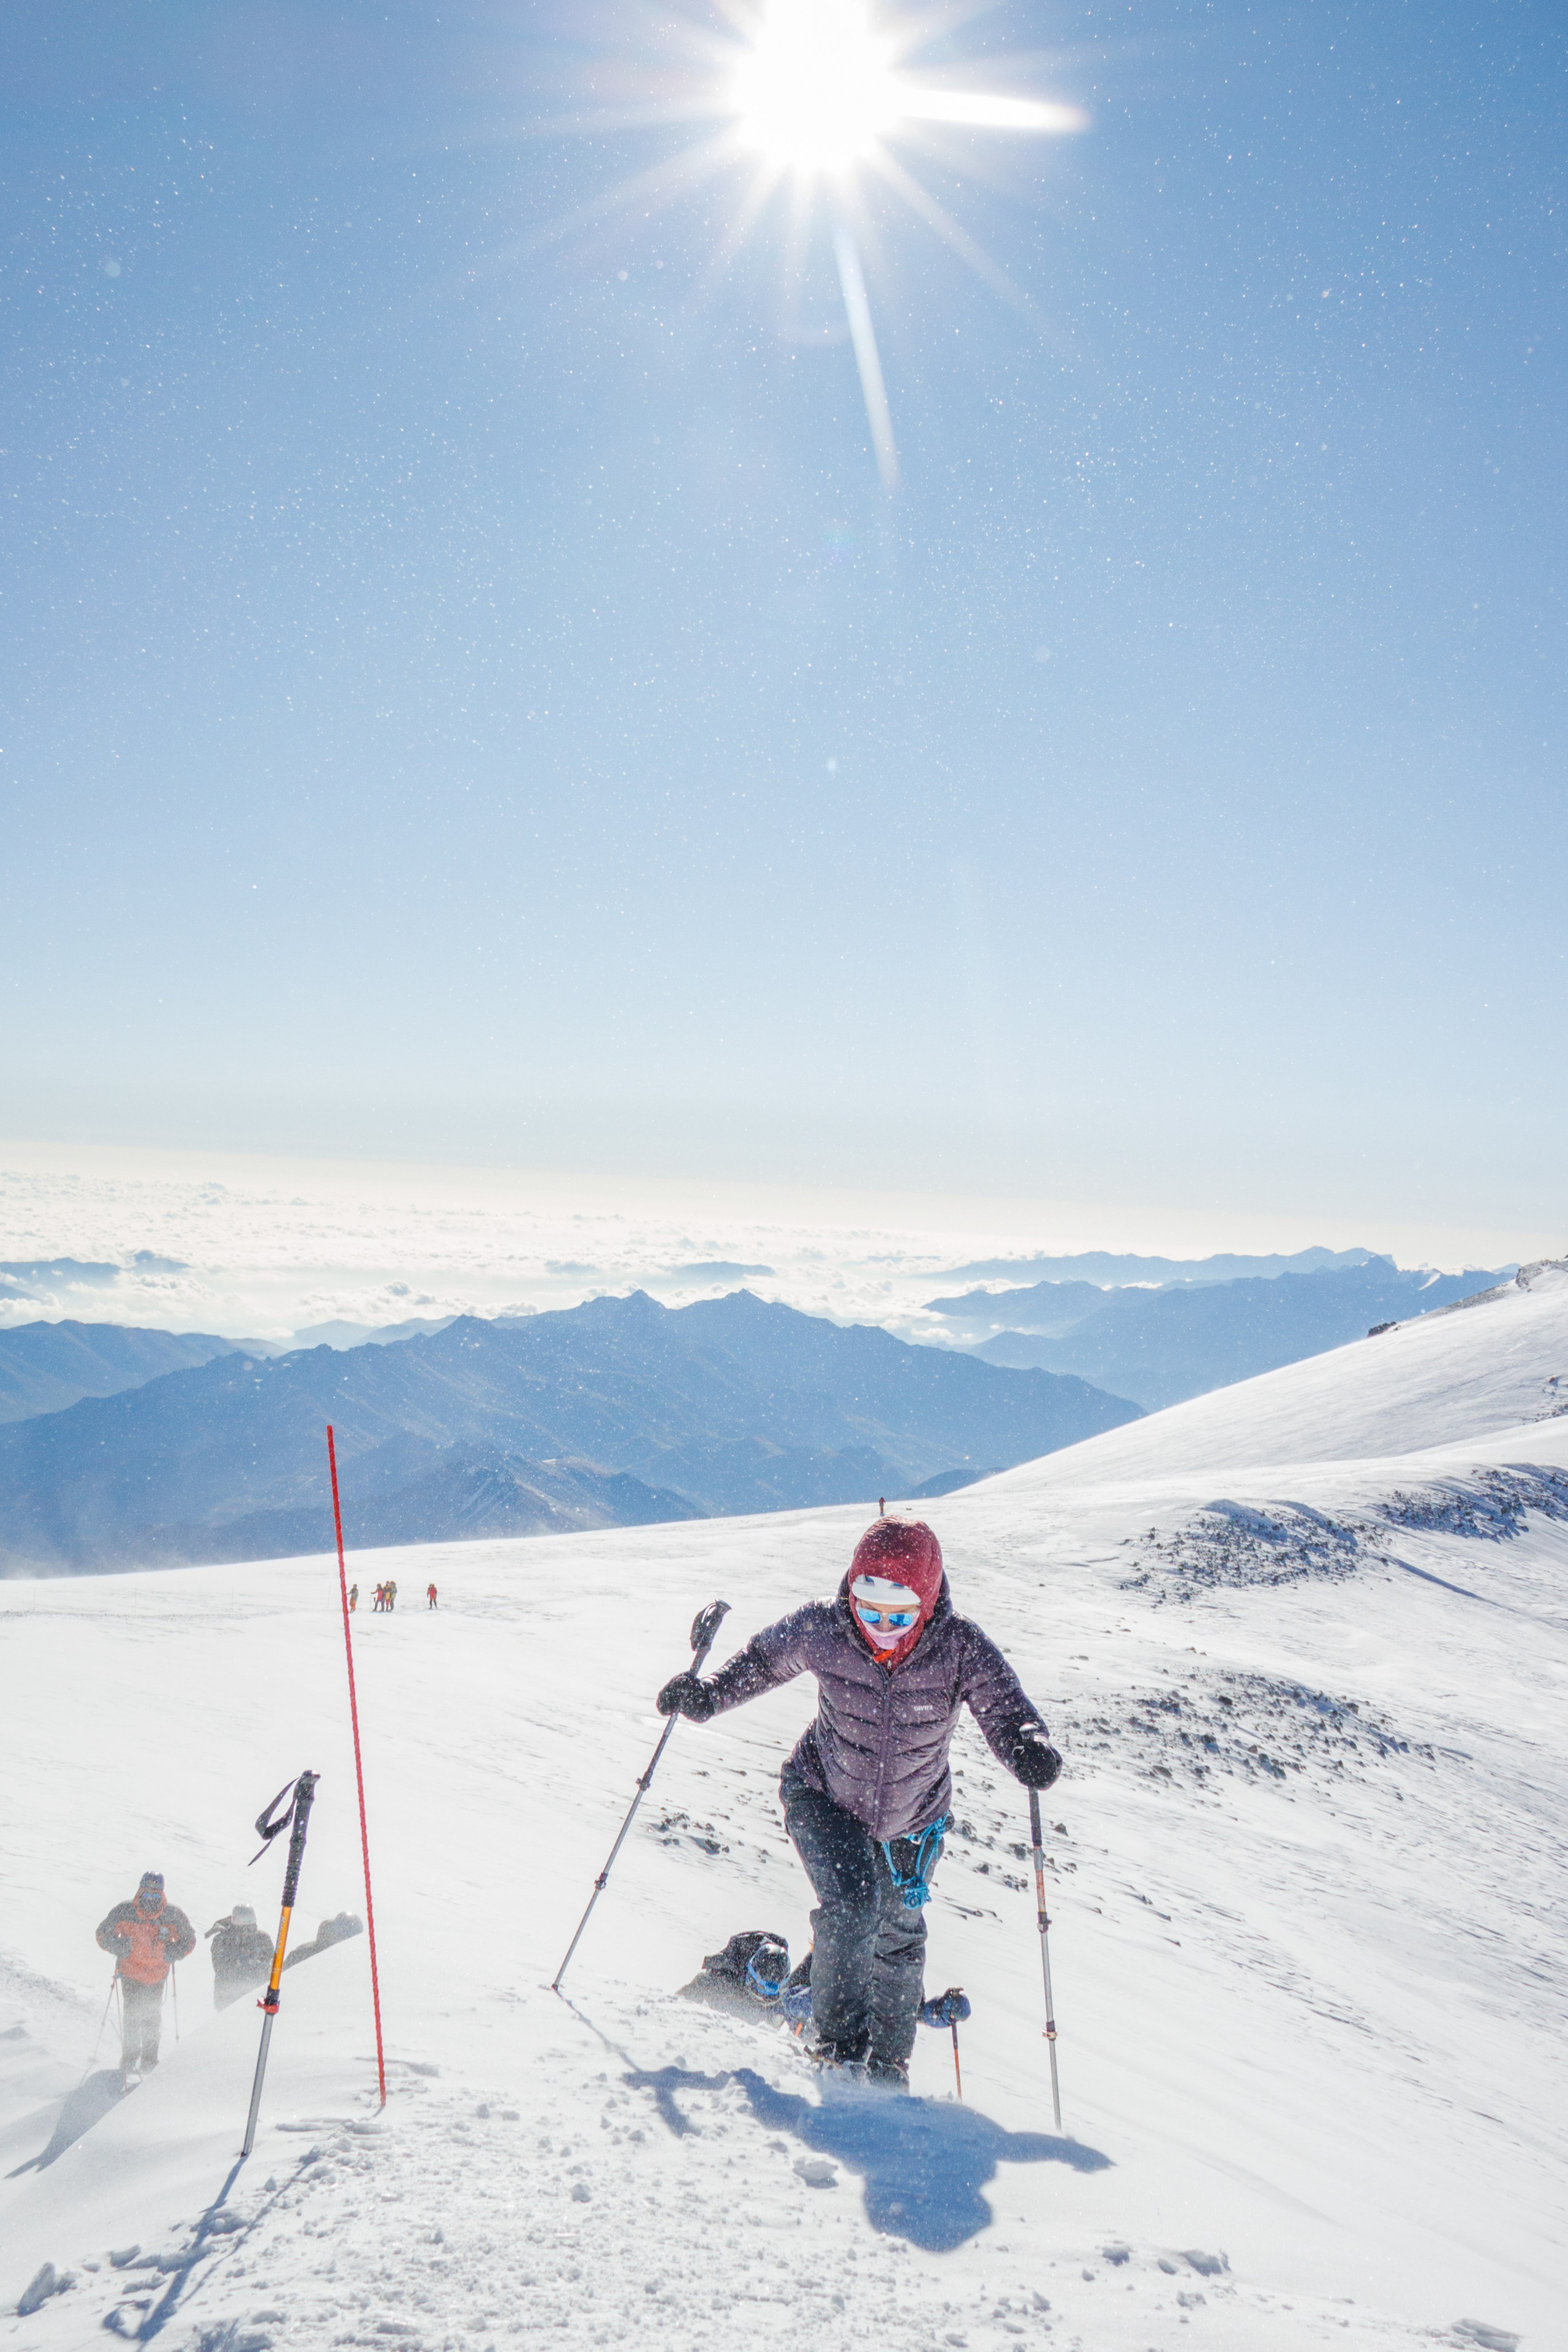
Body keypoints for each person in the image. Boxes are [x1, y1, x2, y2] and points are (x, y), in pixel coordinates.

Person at [657, 1515, 1061, 2090]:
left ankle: (888, 2068)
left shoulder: (958, 1647)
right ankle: (838, 2053)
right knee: (852, 1906)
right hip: (823, 1795)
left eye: (899, 1617)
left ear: (927, 1603)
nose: (880, 1628)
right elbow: (763, 1662)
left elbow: (1005, 1707)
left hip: (914, 1819)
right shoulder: (824, 1627)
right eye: (868, 1611)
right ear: (851, 1592)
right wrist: (708, 1695)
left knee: (897, 1936)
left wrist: (1027, 1745)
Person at [96, 1871, 197, 2074]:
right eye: (147, 1894)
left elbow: (189, 1941)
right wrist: (118, 1946)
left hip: (157, 1976)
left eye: (155, 1895)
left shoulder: (172, 1915)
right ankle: (130, 2059)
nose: (151, 1899)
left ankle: (149, 2060)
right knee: (133, 2015)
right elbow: (102, 1934)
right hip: (130, 1973)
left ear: (162, 1894)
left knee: (151, 2016)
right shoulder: (125, 1911)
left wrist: (174, 1951)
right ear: (140, 1891)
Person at [205, 1903, 276, 2010]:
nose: (247, 1932)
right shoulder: (222, 1940)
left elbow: (271, 1965)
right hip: (227, 1996)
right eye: (243, 1929)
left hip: (257, 1996)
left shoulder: (263, 1939)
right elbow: (220, 1967)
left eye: (250, 1928)